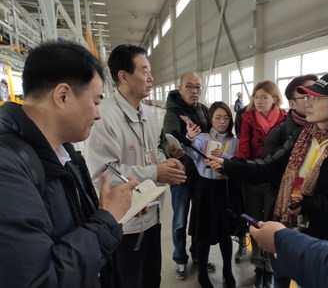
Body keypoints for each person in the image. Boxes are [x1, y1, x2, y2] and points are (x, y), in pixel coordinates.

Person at [0, 41, 137, 287]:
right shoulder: (8, 169)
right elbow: (41, 280)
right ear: (62, 96)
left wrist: (107, 208)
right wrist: (107, 217)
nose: (98, 114)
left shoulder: (64, 152)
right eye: (95, 102)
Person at [207, 72, 328, 257]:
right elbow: (267, 167)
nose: (308, 102)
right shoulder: (303, 137)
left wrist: (310, 206)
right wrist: (228, 164)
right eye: (307, 96)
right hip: (299, 235)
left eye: (316, 98)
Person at [85, 44, 186, 288]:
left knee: (152, 279)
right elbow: (102, 174)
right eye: (145, 71)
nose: (151, 78)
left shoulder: (148, 115)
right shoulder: (104, 118)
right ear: (123, 76)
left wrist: (166, 162)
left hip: (153, 217)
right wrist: (155, 172)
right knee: (128, 281)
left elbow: (152, 154)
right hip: (124, 225)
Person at [260, 74, 317, 288]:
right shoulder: (280, 133)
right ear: (292, 103)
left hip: (313, 215)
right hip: (285, 213)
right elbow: (268, 175)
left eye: (317, 94)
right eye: (307, 95)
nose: (314, 99)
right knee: (282, 270)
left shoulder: (326, 134)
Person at [160, 72, 213, 280]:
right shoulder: (172, 113)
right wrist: (175, 148)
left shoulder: (203, 110)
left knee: (199, 220)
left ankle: (198, 255)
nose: (194, 91)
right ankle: (180, 259)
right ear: (180, 88)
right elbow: (167, 139)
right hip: (181, 177)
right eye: (189, 86)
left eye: (198, 87)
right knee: (180, 222)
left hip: (202, 176)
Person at [234, 80, 286, 288]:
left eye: (264, 96)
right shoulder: (246, 118)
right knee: (254, 222)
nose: (259, 101)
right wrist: (237, 165)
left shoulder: (285, 118)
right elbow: (244, 146)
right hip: (253, 177)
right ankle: (258, 266)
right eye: (256, 96)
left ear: (275, 98)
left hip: (275, 179)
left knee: (273, 222)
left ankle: (270, 267)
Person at [183, 101, 239, 288]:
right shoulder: (203, 138)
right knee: (203, 233)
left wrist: (224, 157)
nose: (222, 121)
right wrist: (189, 138)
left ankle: (227, 270)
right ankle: (201, 274)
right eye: (218, 117)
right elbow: (191, 152)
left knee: (225, 233)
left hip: (224, 189)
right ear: (210, 119)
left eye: (226, 117)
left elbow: (240, 164)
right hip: (205, 189)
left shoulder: (234, 141)